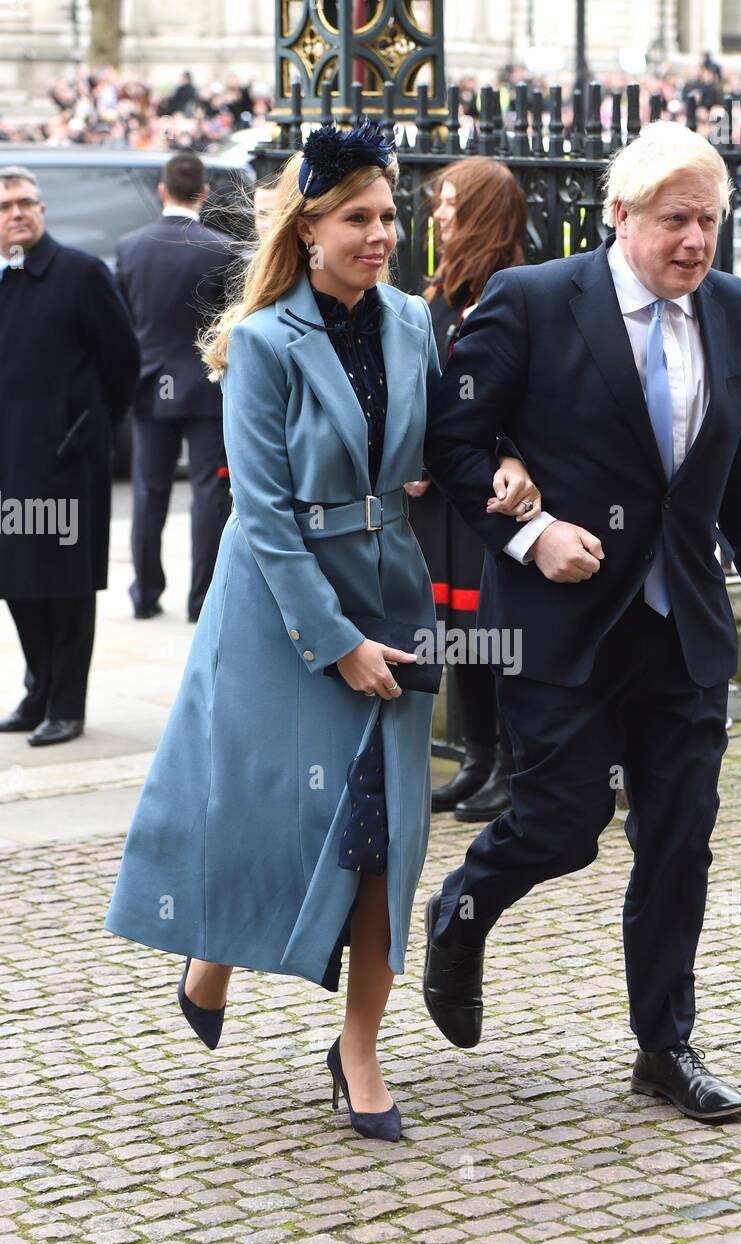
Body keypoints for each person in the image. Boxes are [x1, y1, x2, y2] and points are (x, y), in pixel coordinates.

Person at [101, 124, 539, 1143]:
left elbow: (449, 436)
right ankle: (213, 950)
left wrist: (513, 461)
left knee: (386, 832)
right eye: (361, 219)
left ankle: (359, 1046)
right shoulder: (261, 344)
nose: (385, 234)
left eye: (390, 215)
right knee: (271, 809)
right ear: (307, 231)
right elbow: (261, 513)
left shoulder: (407, 322)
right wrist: (335, 641)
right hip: (278, 608)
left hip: (392, 585)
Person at [422, 120, 741, 1122]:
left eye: (710, 221)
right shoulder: (535, 301)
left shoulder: (733, 307)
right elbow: (454, 440)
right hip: (564, 618)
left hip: (682, 625)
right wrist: (530, 531)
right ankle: (458, 913)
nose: (697, 241)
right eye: (677, 220)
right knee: (562, 822)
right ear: (620, 215)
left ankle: (664, 1044)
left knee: (680, 837)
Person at [406, 157, 529, 823]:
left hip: (485, 494)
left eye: (451, 203)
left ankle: (512, 764)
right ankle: (477, 757)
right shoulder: (441, 290)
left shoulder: (510, 287)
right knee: (458, 634)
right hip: (441, 497)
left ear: (481, 211)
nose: (439, 214)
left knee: (493, 632)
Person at [0, 164, 139, 746]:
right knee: (16, 583)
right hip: (7, 463)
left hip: (64, 462)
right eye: (6, 207)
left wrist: (84, 430)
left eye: (26, 203)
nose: (17, 213)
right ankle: (37, 692)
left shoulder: (80, 274)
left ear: (43, 209)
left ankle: (66, 704)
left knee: (65, 586)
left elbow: (124, 363)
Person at [116, 152, 240, 622]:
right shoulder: (220, 247)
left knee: (149, 492)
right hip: (204, 385)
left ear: (162, 191)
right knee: (209, 494)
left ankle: (145, 594)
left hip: (150, 384)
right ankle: (200, 598)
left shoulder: (131, 247)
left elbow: (121, 322)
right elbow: (230, 324)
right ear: (204, 193)